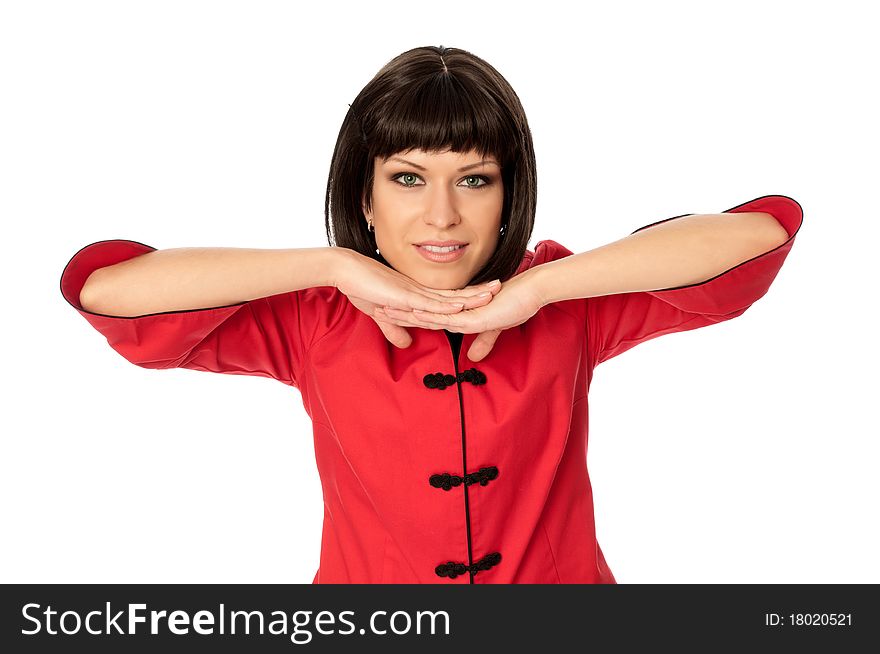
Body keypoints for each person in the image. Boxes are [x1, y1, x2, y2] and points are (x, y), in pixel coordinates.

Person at [59, 45, 803, 583]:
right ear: (364, 196)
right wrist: (328, 264)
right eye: (408, 177)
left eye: (474, 179)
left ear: (509, 194)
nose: (441, 215)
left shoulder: (567, 303)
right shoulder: (315, 320)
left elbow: (758, 234)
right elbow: (108, 291)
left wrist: (537, 290)